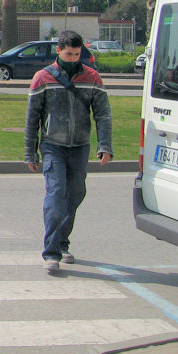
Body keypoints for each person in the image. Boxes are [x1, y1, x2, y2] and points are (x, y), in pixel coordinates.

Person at [24, 29, 112, 274]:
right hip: (53, 146)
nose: (73, 58)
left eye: (77, 53)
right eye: (69, 53)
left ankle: (62, 241)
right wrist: (30, 152)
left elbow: (103, 114)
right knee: (56, 193)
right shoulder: (43, 77)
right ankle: (51, 252)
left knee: (76, 193)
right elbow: (32, 118)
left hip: (80, 146)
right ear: (59, 51)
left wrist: (104, 145)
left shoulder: (92, 77)